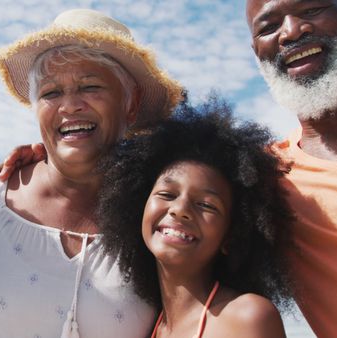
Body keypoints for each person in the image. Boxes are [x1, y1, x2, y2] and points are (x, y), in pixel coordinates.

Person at [0, 8, 183, 338]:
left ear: (131, 103)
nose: (69, 106)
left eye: (90, 86)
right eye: (50, 92)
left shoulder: (161, 219)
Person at [246, 0, 337, 337]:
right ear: (256, 52)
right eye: (268, 27)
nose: (292, 31)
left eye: (311, 10)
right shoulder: (263, 179)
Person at [97, 102, 294, 338]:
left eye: (206, 205)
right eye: (167, 195)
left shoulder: (247, 317)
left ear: (232, 235)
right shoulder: (148, 326)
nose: (180, 210)